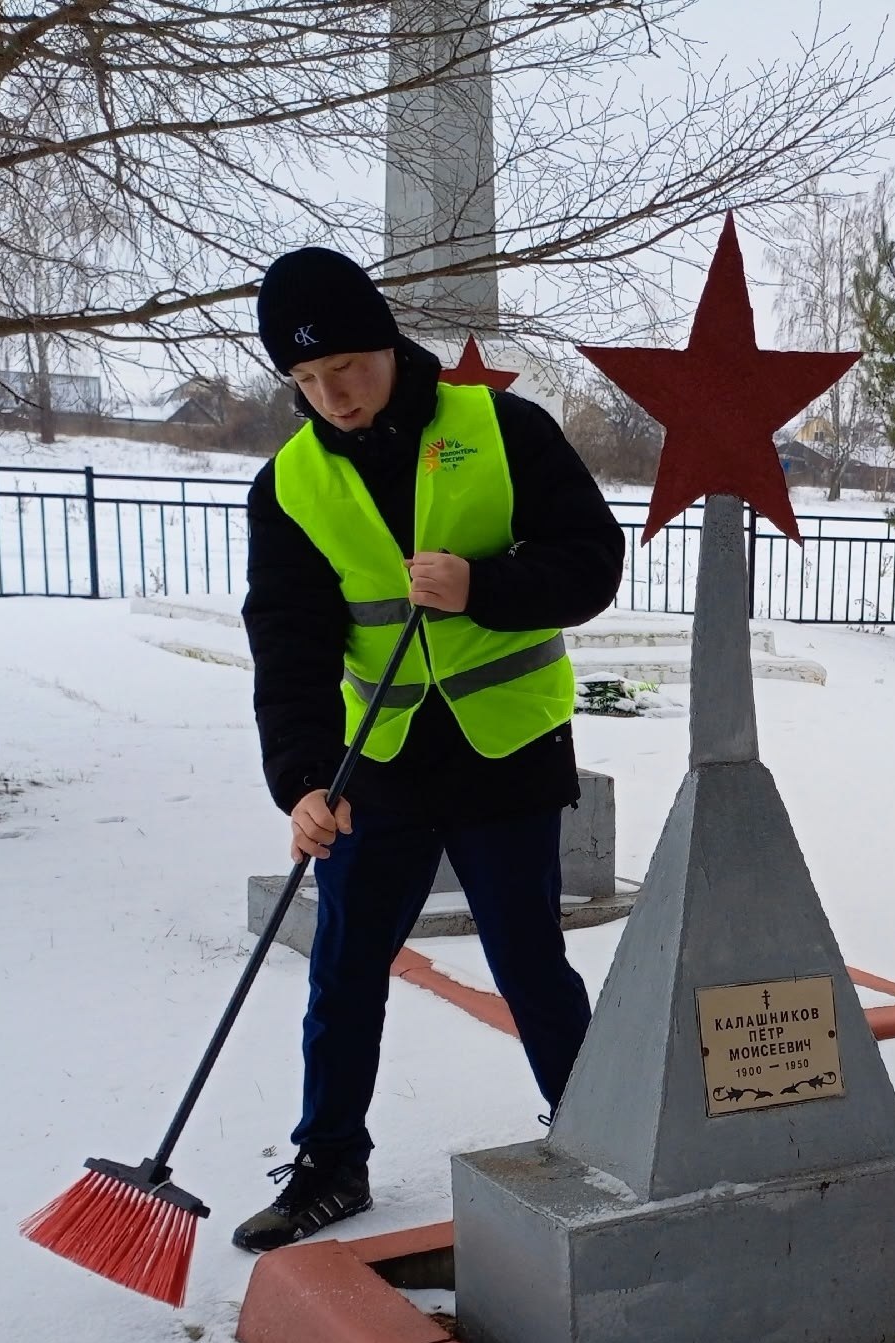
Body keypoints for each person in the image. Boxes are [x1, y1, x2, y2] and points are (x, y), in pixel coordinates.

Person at [232, 248, 623, 1252]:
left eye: (345, 367)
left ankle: (597, 1138)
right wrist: (303, 779)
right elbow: (288, 642)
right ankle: (330, 1163)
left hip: (507, 750)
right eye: (306, 379)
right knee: (344, 967)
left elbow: (592, 562)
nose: (332, 396)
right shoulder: (290, 485)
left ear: (386, 343)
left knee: (529, 961)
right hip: (379, 763)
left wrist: (484, 588)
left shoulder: (502, 427)